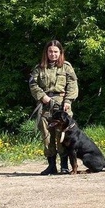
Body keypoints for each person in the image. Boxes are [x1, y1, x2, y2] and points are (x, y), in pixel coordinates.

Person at [29, 40, 79, 175]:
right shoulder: (39, 68)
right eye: (50, 51)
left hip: (62, 106)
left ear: (60, 53)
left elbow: (72, 85)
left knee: (61, 136)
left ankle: (64, 166)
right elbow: (33, 84)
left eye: (56, 52)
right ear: (46, 52)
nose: (53, 54)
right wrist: (42, 96)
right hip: (45, 105)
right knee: (47, 136)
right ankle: (51, 166)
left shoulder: (66, 67)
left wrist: (68, 101)